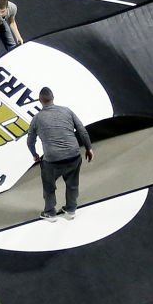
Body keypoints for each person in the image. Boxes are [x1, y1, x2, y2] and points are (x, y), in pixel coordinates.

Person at [26, 86, 93, 220]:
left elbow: (30, 141)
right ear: (53, 98)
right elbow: (82, 131)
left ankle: (50, 213)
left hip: (52, 160)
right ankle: (71, 210)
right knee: (73, 184)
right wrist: (88, 148)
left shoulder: (37, 118)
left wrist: (35, 155)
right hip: (73, 156)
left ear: (40, 100)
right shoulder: (67, 111)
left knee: (49, 186)